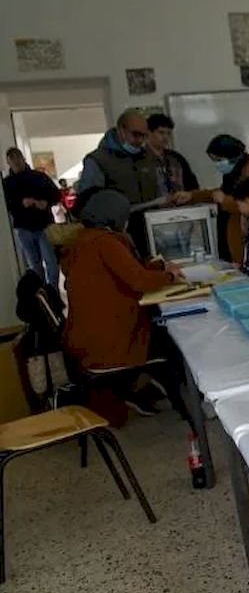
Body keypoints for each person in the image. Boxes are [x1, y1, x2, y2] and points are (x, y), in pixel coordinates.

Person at [62, 189, 183, 419]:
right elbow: (138, 281)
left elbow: (125, 274)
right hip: (111, 342)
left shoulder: (83, 240)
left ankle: (138, 388)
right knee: (171, 341)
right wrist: (169, 276)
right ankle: (174, 398)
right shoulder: (105, 242)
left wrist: (157, 270)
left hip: (87, 339)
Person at [171, 134, 249, 287]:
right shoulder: (235, 171)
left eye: (218, 160)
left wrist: (226, 200)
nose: (217, 165)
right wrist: (193, 196)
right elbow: (225, 193)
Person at [77, 108, 159, 257]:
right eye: (135, 134)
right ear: (121, 130)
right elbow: (89, 204)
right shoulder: (98, 160)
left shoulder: (149, 157)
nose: (140, 141)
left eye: (144, 136)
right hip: (119, 237)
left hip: (153, 230)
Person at [3, 147, 61, 287]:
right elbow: (7, 206)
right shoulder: (7, 184)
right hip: (23, 228)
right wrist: (21, 204)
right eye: (14, 162)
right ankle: (42, 297)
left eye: (19, 160)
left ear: (23, 159)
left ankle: (52, 295)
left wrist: (45, 202)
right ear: (9, 163)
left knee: (51, 262)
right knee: (34, 265)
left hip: (43, 226)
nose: (17, 164)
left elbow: (56, 194)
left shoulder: (39, 177)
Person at [145, 113, 200, 197]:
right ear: (149, 133)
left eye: (168, 133)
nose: (166, 137)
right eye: (161, 132)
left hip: (180, 206)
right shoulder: (139, 159)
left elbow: (192, 186)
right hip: (153, 208)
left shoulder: (176, 158)